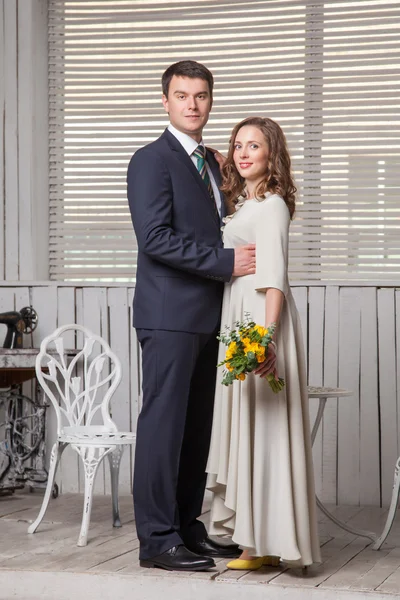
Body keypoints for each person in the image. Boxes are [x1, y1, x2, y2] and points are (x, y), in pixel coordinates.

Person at [127, 60, 256, 572]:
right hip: (168, 315)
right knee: (163, 428)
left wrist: (228, 179)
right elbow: (155, 238)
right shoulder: (150, 160)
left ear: (210, 100)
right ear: (165, 100)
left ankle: (186, 527)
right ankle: (157, 540)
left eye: (201, 95)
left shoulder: (209, 163)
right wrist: (226, 264)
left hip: (207, 316)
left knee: (196, 430)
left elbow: (219, 223)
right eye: (182, 95)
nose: (193, 104)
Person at [206, 116, 321, 570]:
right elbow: (225, 160)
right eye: (238, 145)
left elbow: (274, 279)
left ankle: (262, 544)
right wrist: (214, 153)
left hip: (259, 319)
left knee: (265, 427)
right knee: (249, 423)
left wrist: (264, 340)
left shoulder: (272, 205)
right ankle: (256, 541)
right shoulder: (245, 203)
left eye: (255, 145)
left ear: (272, 153)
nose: (243, 152)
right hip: (239, 317)